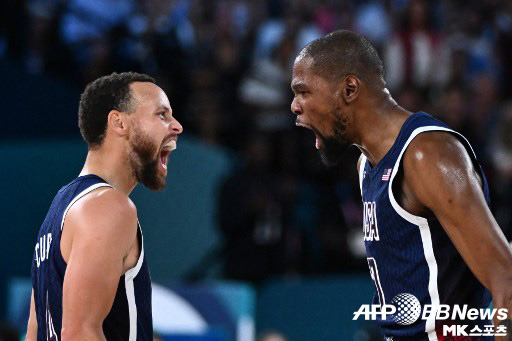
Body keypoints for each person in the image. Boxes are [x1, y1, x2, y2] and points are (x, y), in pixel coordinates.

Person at [290, 30, 512, 340]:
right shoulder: (366, 164)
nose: (294, 107)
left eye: (303, 92)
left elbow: (506, 283)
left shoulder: (427, 154)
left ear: (350, 88)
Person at [25, 72, 183, 340]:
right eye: (161, 115)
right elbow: (79, 332)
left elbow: (34, 333)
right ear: (118, 122)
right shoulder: (108, 206)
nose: (177, 126)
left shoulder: (60, 209)